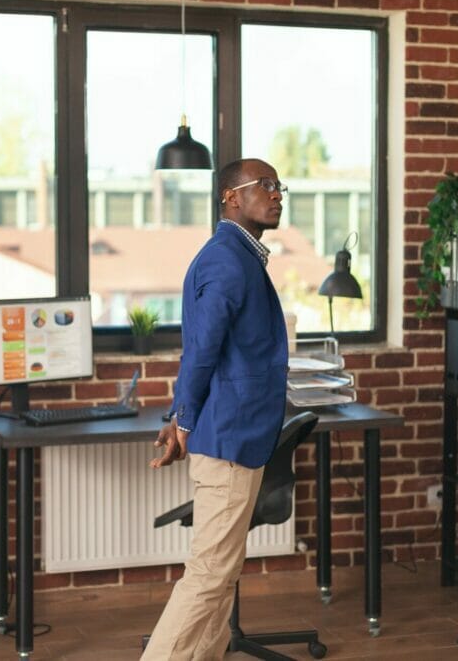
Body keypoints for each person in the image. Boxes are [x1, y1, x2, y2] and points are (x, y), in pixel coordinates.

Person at [141, 158, 290, 660]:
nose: (276, 194)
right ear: (231, 197)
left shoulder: (241, 257)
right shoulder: (228, 258)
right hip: (228, 438)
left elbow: (215, 352)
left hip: (237, 436)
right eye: (264, 185)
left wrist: (179, 415)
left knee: (221, 577)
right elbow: (202, 349)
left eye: (278, 186)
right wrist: (183, 418)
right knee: (208, 576)